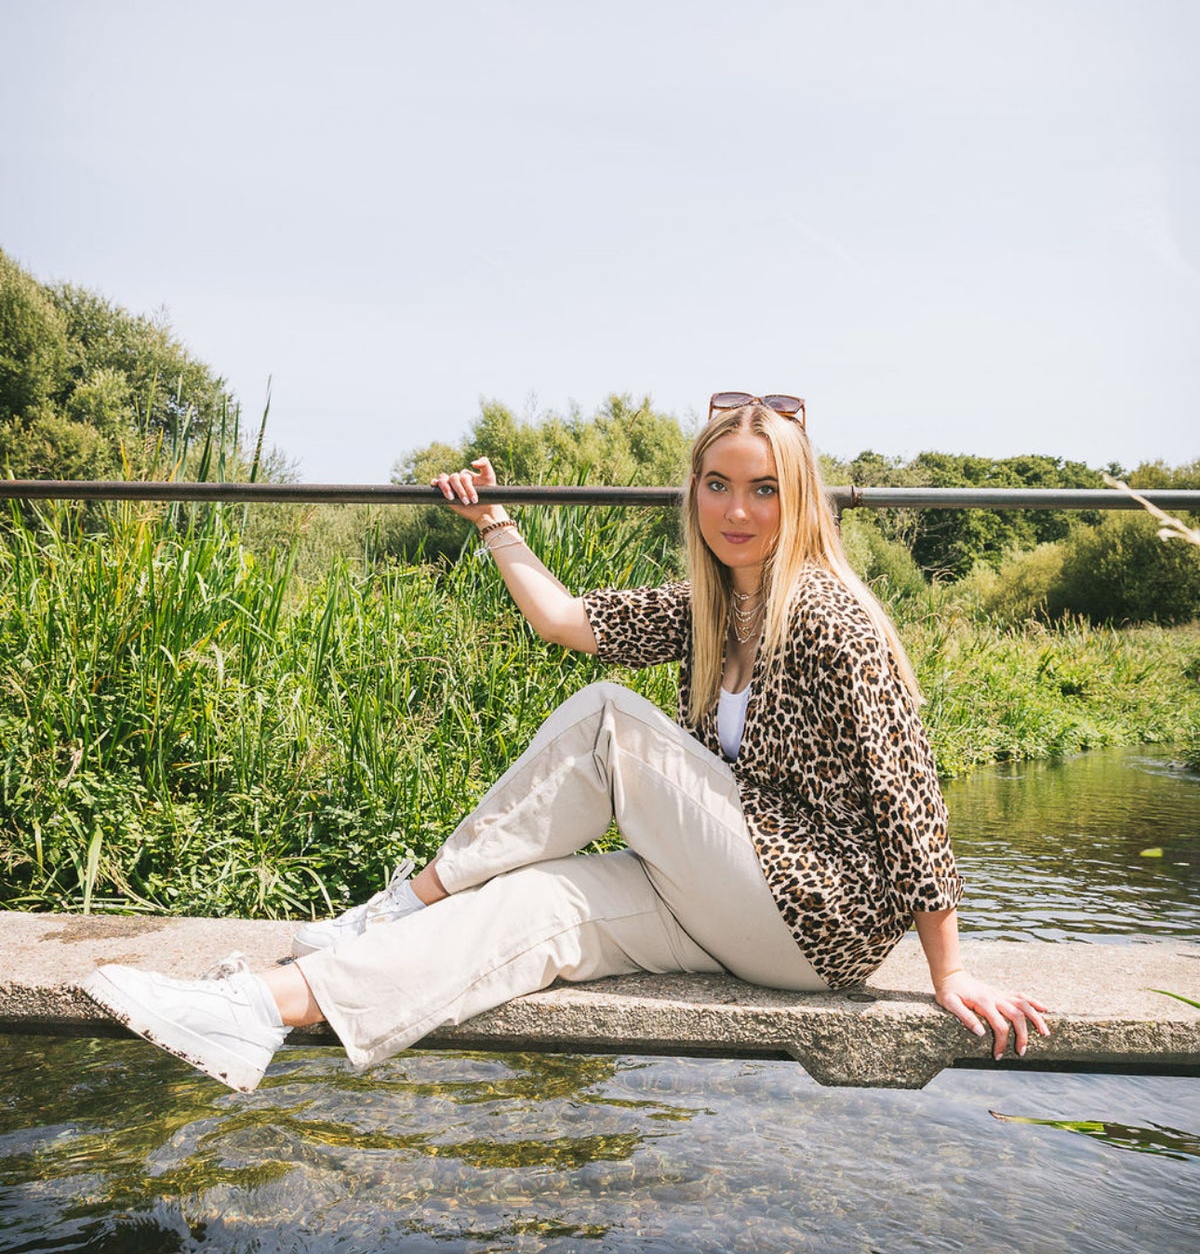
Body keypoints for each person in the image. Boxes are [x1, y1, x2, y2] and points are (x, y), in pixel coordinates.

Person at [85, 394, 1050, 1092]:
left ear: (796, 498)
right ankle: (261, 1012)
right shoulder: (715, 606)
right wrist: (494, 523)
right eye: (717, 484)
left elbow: (911, 800)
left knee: (605, 718)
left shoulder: (836, 619)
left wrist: (949, 973)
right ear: (697, 492)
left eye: (761, 489)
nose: (736, 510)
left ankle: (398, 905)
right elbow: (565, 620)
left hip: (819, 915)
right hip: (731, 901)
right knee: (532, 906)